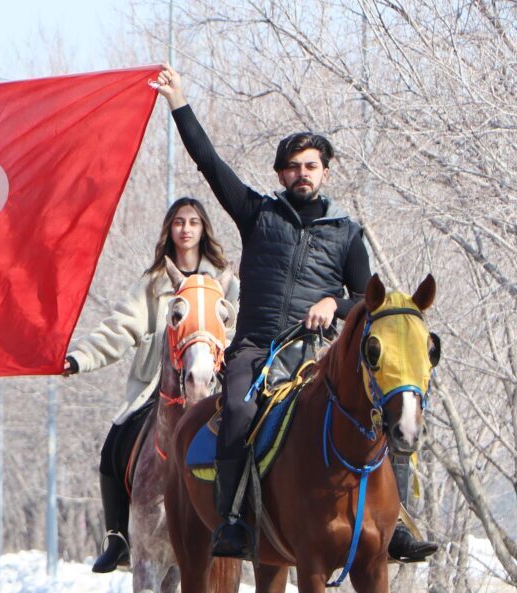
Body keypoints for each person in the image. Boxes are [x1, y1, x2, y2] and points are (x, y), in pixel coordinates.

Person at [153, 65, 437, 562]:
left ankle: (397, 524)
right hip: (255, 350)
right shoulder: (257, 214)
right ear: (281, 175)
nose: (302, 173)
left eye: (311, 165)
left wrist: (334, 304)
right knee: (239, 410)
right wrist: (178, 101)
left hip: (314, 358)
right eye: (293, 166)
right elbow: (209, 163)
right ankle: (234, 521)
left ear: (325, 172)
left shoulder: (347, 234)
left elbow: (365, 301)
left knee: (385, 408)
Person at [64, 197, 240, 573]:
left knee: (248, 441)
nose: (186, 229)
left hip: (215, 389)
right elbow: (120, 328)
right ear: (169, 230)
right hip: (157, 391)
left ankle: (242, 526)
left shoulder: (225, 285)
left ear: (204, 229)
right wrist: (79, 358)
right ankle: (117, 538)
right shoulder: (154, 284)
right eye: (178, 222)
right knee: (114, 446)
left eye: (193, 222)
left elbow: (236, 331)